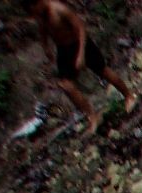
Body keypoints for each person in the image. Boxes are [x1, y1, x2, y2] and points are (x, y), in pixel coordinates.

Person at [25, 0, 135, 136]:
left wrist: (81, 54)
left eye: (34, 10)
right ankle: (92, 115)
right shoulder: (41, 16)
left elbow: (80, 28)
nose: (35, 14)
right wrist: (46, 48)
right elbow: (43, 31)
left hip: (80, 43)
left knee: (103, 70)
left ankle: (128, 96)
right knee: (66, 86)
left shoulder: (59, 9)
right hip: (63, 50)